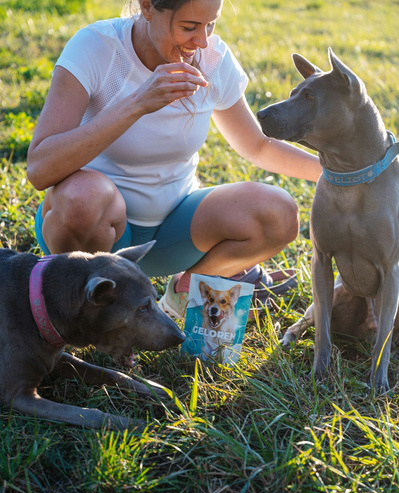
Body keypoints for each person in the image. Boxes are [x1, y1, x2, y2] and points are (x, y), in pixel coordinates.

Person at [27, 0, 321, 319]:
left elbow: (258, 146)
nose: (202, 41)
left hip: (174, 233)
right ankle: (85, 311)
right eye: (189, 27)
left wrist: (339, 173)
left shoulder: (212, 58)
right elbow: (41, 169)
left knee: (278, 211)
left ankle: (183, 291)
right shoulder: (96, 47)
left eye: (211, 25)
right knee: (83, 198)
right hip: (92, 231)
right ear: (147, 6)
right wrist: (138, 102)